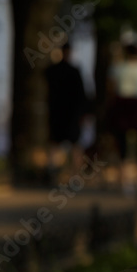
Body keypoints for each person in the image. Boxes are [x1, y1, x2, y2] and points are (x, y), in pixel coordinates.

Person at [108, 43, 137, 193]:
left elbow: (112, 87)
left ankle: (125, 181)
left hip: (122, 104)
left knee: (122, 143)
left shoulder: (118, 68)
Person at [44, 42, 87, 183]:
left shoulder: (53, 71)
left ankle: (54, 175)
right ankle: (74, 176)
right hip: (70, 114)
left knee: (56, 144)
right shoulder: (74, 71)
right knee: (73, 145)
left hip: (58, 113)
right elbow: (82, 95)